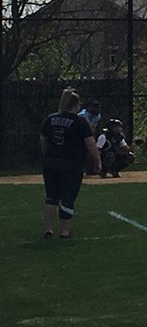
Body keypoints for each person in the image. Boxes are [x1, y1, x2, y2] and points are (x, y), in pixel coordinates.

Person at [39, 87, 101, 240]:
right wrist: (97, 160)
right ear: (76, 104)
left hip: (51, 162)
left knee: (51, 196)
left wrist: (47, 154)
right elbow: (91, 143)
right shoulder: (80, 121)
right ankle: (65, 231)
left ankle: (48, 229)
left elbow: (43, 139)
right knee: (68, 196)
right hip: (71, 163)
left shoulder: (51, 118)